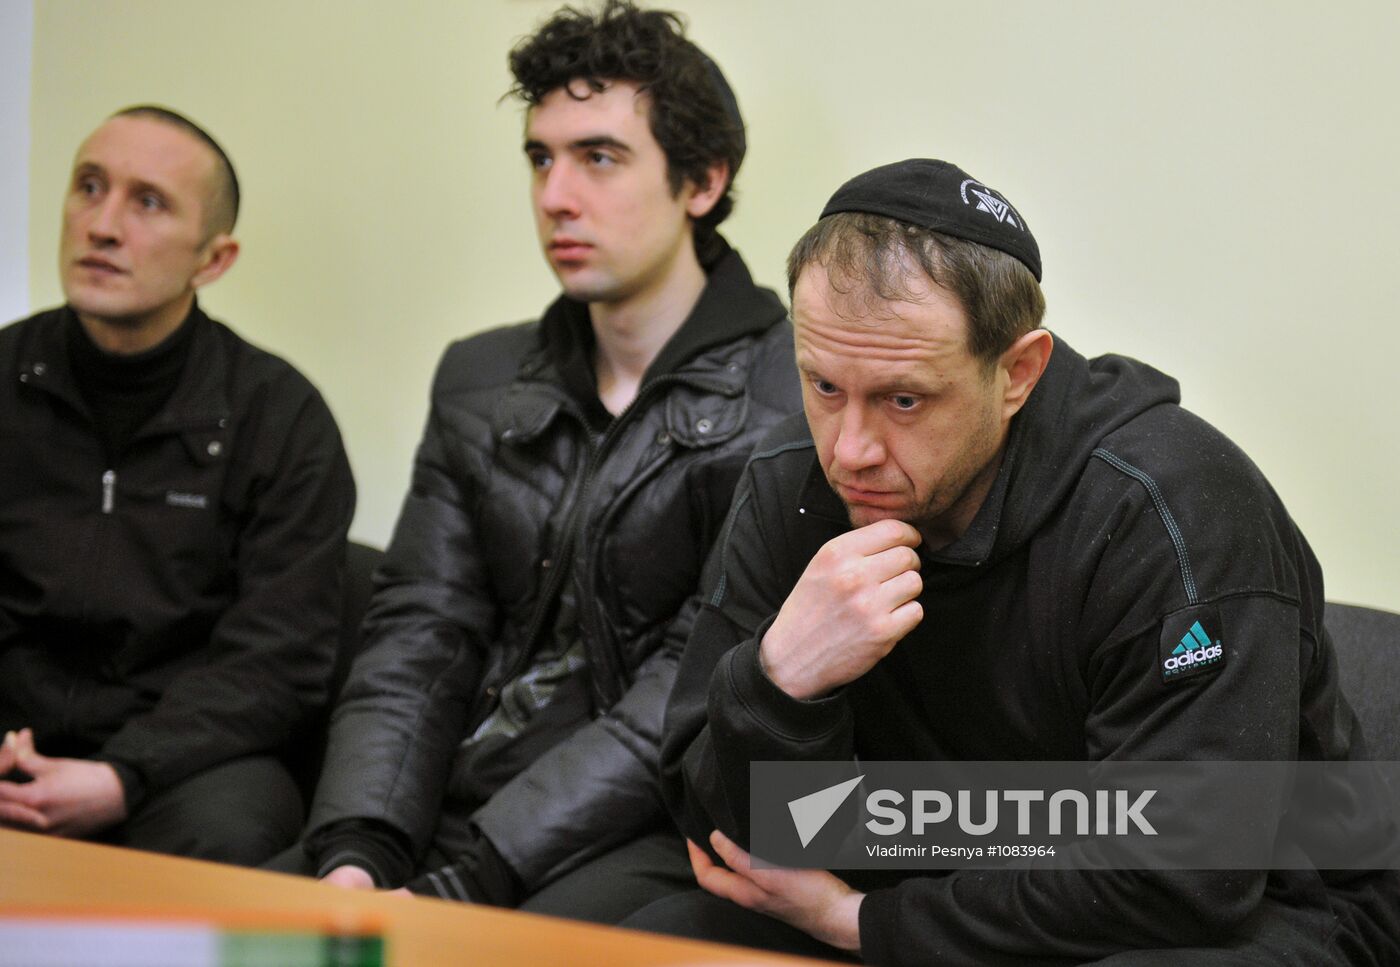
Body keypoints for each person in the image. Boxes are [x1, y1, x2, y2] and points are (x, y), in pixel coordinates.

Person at [638, 159, 1400, 963]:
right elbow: (723, 822)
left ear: (1017, 372)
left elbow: (1187, 868)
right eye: (824, 385)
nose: (850, 450)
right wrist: (779, 685)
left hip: (1261, 902)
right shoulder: (791, 483)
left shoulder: (1173, 507)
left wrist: (860, 920)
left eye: (904, 399)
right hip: (937, 868)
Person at [286, 0, 800, 923]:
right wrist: (361, 846)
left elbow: (692, 683)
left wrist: (475, 876)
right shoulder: (481, 377)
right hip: (455, 800)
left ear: (703, 181)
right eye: (540, 157)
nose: (556, 194)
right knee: (250, 923)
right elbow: (418, 631)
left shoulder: (793, 399)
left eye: (599, 157)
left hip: (651, 823)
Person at [0, 106, 355, 865]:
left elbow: (278, 659)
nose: (102, 224)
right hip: (9, 736)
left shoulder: (280, 418)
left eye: (148, 202)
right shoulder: (3, 378)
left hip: (182, 759)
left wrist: (123, 773)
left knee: (235, 827)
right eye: (88, 187)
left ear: (214, 259)